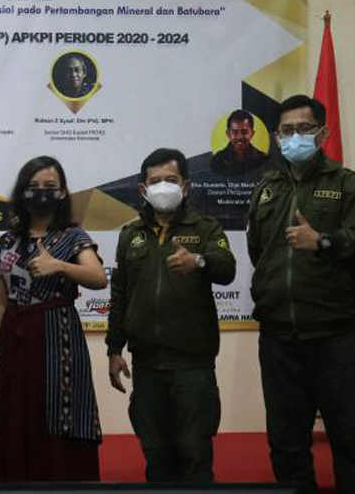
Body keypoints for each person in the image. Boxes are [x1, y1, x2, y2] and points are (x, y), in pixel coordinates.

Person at [247, 95, 355, 494]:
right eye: (287, 130)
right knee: (287, 446)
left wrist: (324, 241)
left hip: (339, 337)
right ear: (276, 136)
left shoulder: (349, 185)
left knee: (350, 443)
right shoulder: (266, 190)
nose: (295, 136)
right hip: (280, 340)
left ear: (323, 133)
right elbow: (260, 253)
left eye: (304, 128)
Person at [107, 148, 236, 482]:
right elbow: (120, 295)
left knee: (194, 453)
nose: (163, 186)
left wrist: (199, 261)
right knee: (156, 455)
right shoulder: (130, 234)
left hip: (193, 364)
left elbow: (227, 268)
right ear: (143, 189)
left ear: (186, 186)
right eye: (155, 181)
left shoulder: (205, 228)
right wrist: (114, 349)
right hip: (146, 365)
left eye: (171, 179)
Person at [0, 156, 107, 481]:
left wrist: (60, 266)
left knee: (59, 417)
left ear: (62, 192)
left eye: (49, 186)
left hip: (57, 341)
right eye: (33, 186)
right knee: (15, 419)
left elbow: (98, 278)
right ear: (22, 192)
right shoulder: (9, 240)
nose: (41, 192)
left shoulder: (72, 236)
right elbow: (1, 301)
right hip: (15, 343)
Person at [209, 110, 269, 176]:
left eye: (244, 132)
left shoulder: (262, 158)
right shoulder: (218, 160)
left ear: (252, 133)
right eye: (235, 132)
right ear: (228, 134)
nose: (239, 137)